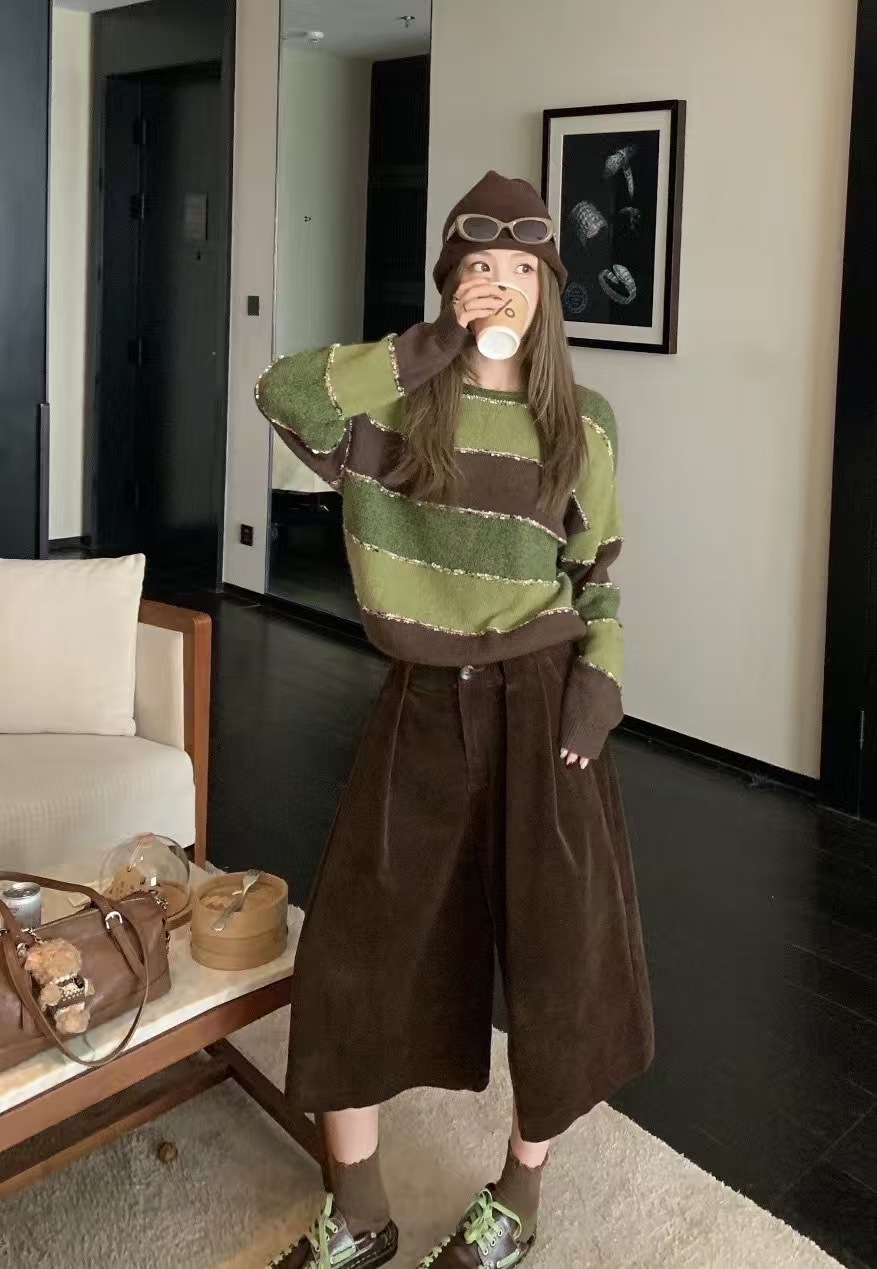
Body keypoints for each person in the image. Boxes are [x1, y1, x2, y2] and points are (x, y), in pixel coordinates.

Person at [255, 171, 654, 1269]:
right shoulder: (393, 404)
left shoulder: (584, 422)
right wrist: (427, 346)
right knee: (355, 948)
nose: (501, 284)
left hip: (546, 702)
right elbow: (283, 395)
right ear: (449, 284)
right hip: (422, 700)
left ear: (548, 291)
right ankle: (358, 1211)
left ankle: (517, 1196)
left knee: (560, 960)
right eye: (479, 266)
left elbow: (600, 576)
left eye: (524, 268)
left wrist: (601, 681)